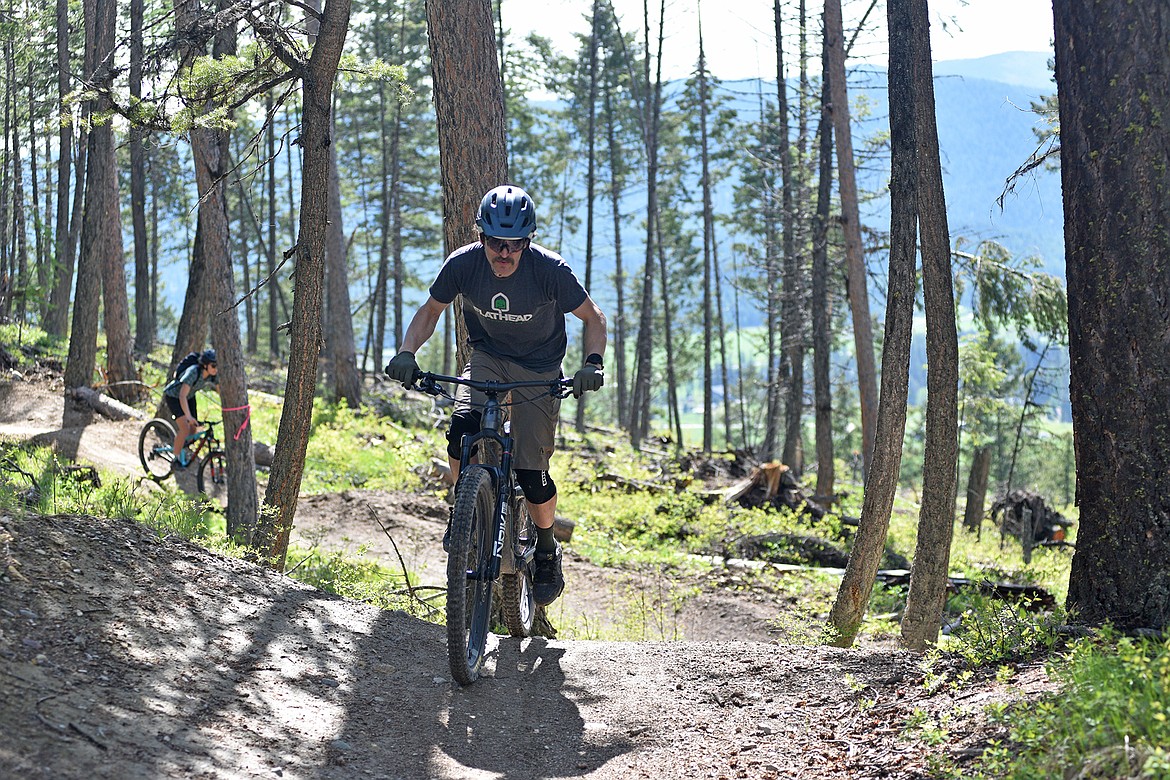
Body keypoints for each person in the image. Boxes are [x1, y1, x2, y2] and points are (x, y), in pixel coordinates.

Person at [386, 185, 607, 607]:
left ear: (528, 241)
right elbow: (430, 311)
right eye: (495, 243)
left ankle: (545, 550)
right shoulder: (464, 265)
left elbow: (593, 317)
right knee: (461, 431)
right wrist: (406, 353)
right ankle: (463, 508)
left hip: (540, 369)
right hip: (487, 357)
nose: (504, 254)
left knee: (530, 471)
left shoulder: (549, 270)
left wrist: (592, 363)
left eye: (515, 245)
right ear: (481, 236)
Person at [162, 349, 219, 468]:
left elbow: (221, 392)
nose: (216, 368)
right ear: (205, 365)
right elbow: (181, 395)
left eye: (217, 365)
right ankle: (176, 458)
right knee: (185, 428)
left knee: (194, 429)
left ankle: (181, 445)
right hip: (174, 397)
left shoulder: (212, 375)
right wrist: (188, 416)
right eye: (213, 365)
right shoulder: (193, 372)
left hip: (189, 397)